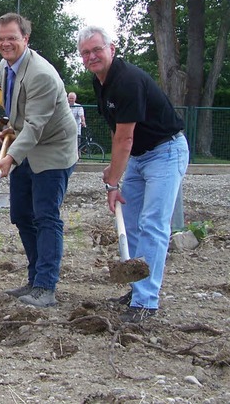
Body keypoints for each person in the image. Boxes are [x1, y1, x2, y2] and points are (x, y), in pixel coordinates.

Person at [77, 26, 189, 323]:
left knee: (153, 224)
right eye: (85, 52)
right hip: (139, 158)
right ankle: (137, 289)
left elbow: (124, 138)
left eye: (97, 49)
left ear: (111, 49)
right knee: (133, 225)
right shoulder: (100, 82)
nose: (91, 56)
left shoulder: (127, 80)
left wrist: (113, 180)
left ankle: (146, 302)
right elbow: (118, 131)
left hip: (165, 152)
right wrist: (116, 167)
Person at [0, 13, 78, 308]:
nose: (6, 44)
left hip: (53, 150)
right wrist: (7, 127)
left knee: (45, 217)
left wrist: (10, 158)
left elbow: (35, 126)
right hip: (27, 145)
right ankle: (34, 279)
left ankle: (46, 287)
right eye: (1, 39)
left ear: (25, 39)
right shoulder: (5, 66)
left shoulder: (40, 73)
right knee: (21, 215)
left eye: (12, 38)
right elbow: (19, 112)